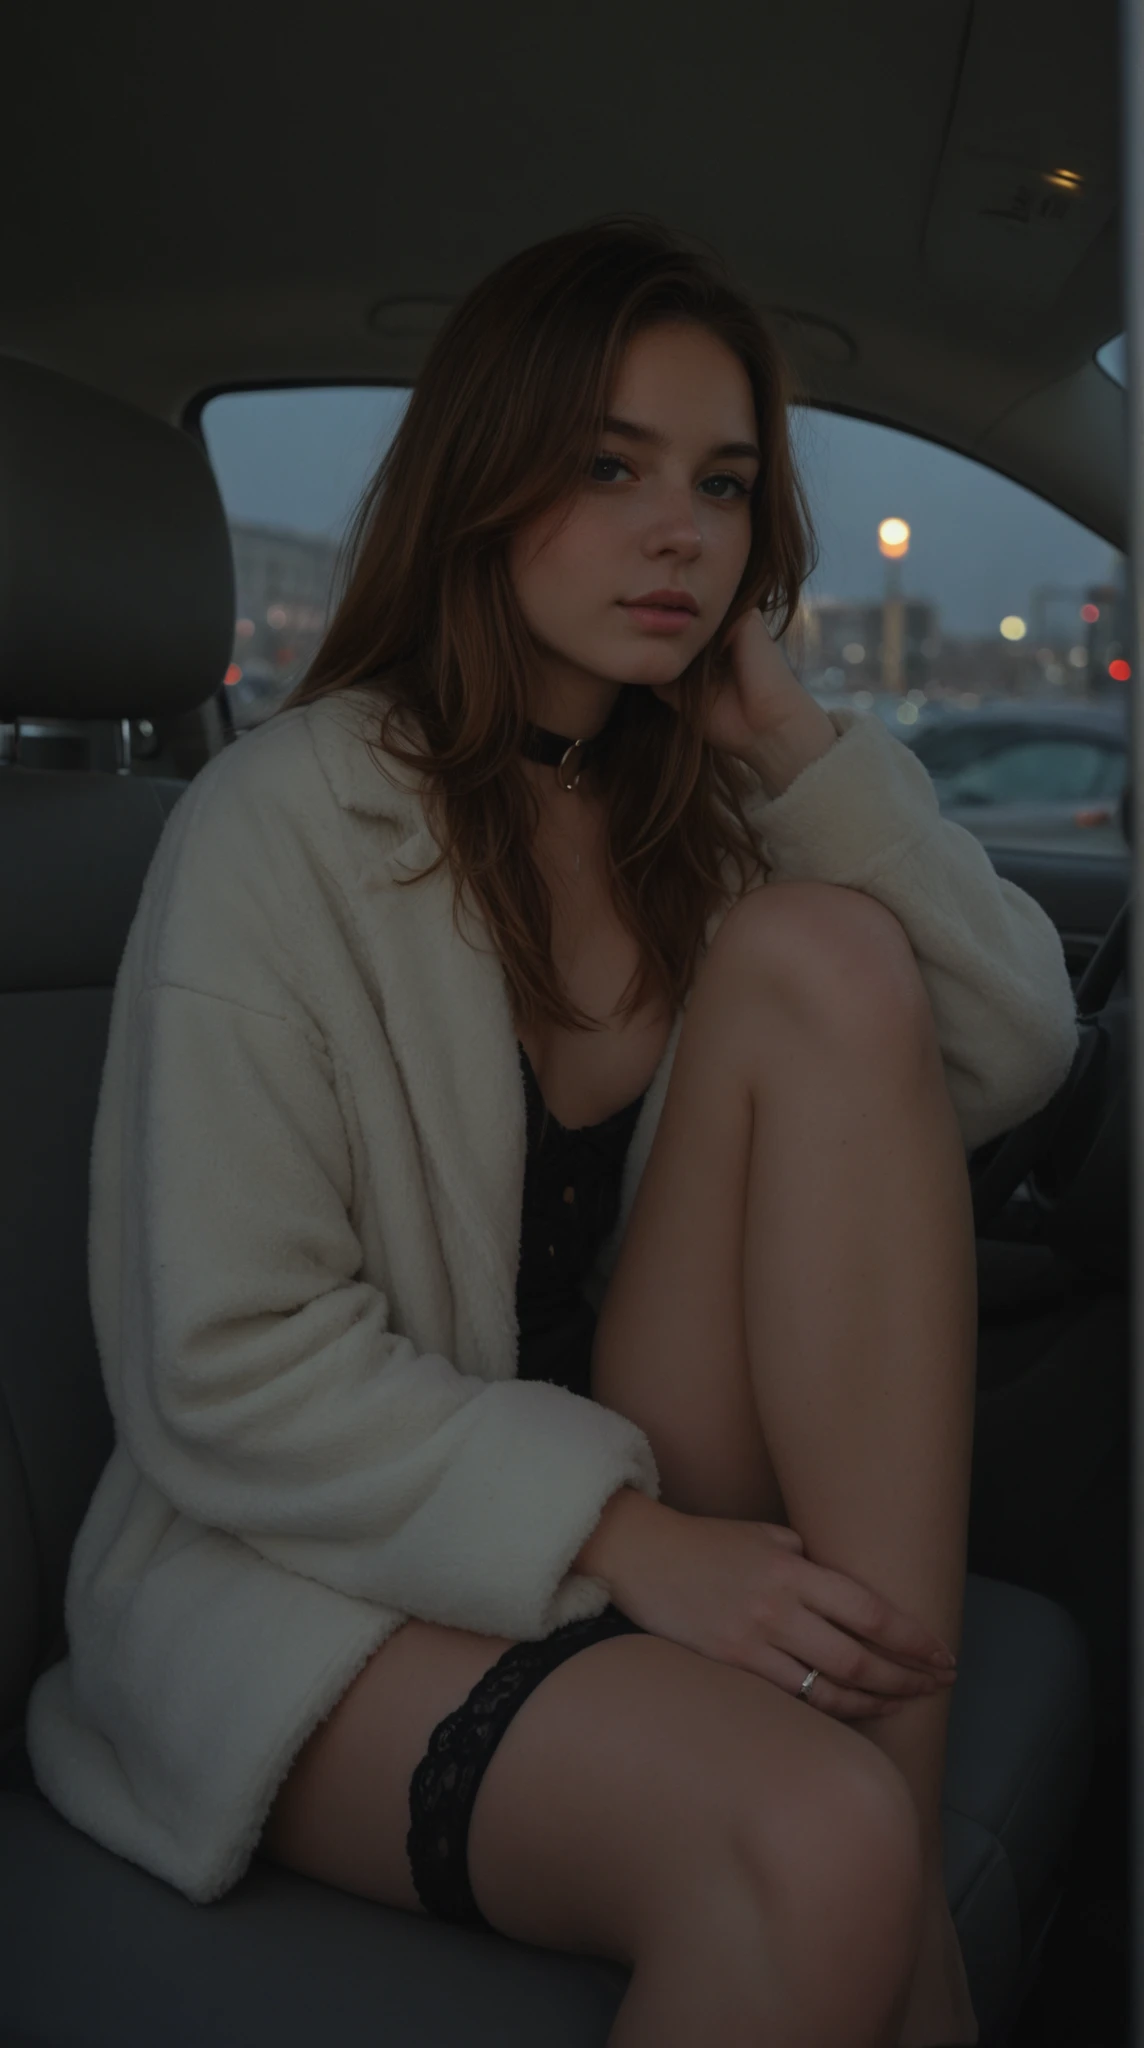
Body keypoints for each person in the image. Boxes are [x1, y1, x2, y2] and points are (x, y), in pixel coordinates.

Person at [27, 218, 1080, 2048]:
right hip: (310, 1569)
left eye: (725, 484)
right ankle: (883, 1919)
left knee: (832, 954)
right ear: (486, 480)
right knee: (812, 1851)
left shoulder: (712, 828)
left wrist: (805, 757)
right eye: (609, 466)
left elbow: (1008, 1045)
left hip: (648, 1489)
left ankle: (877, 1842)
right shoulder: (281, 824)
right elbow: (227, 1369)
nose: (680, 529)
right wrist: (632, 1544)